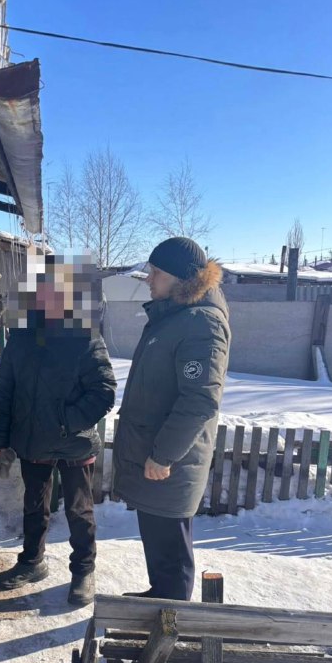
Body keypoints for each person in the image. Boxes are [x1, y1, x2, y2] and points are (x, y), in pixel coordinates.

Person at [0, 254, 116, 606]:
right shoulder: (21, 337)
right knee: (33, 506)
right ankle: (32, 562)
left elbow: (104, 391)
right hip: (32, 441)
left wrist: (66, 421)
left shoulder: (85, 336)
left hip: (74, 442)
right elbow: (5, 389)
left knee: (79, 511)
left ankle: (84, 570)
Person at [113, 237, 230, 601]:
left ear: (181, 277)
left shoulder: (201, 324)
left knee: (172, 553)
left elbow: (199, 400)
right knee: (160, 543)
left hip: (169, 463)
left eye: (156, 273)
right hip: (156, 455)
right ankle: (160, 602)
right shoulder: (175, 317)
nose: (149, 279)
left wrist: (164, 455)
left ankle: (171, 618)